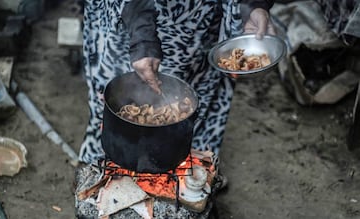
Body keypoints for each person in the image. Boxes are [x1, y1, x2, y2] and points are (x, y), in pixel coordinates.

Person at [79, 0, 275, 164]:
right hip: (129, 11)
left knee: (197, 90)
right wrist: (142, 39)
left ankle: (192, 177)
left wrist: (254, 5)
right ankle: (98, 168)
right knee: (112, 99)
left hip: (201, 16)